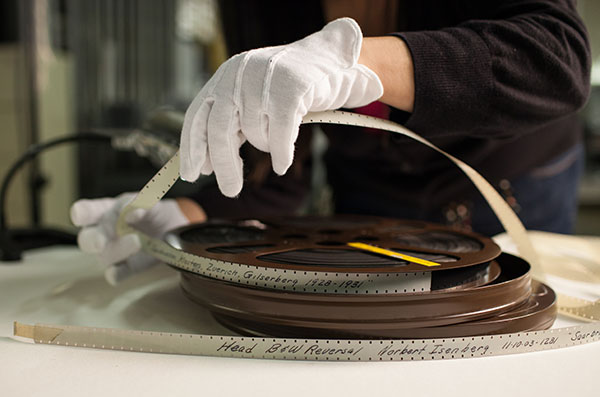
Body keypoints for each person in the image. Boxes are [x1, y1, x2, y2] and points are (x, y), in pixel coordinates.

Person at [70, 0, 591, 284]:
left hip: (512, 178)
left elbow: (558, 59)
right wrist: (189, 215)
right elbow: (271, 172)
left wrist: (362, 63)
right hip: (371, 195)